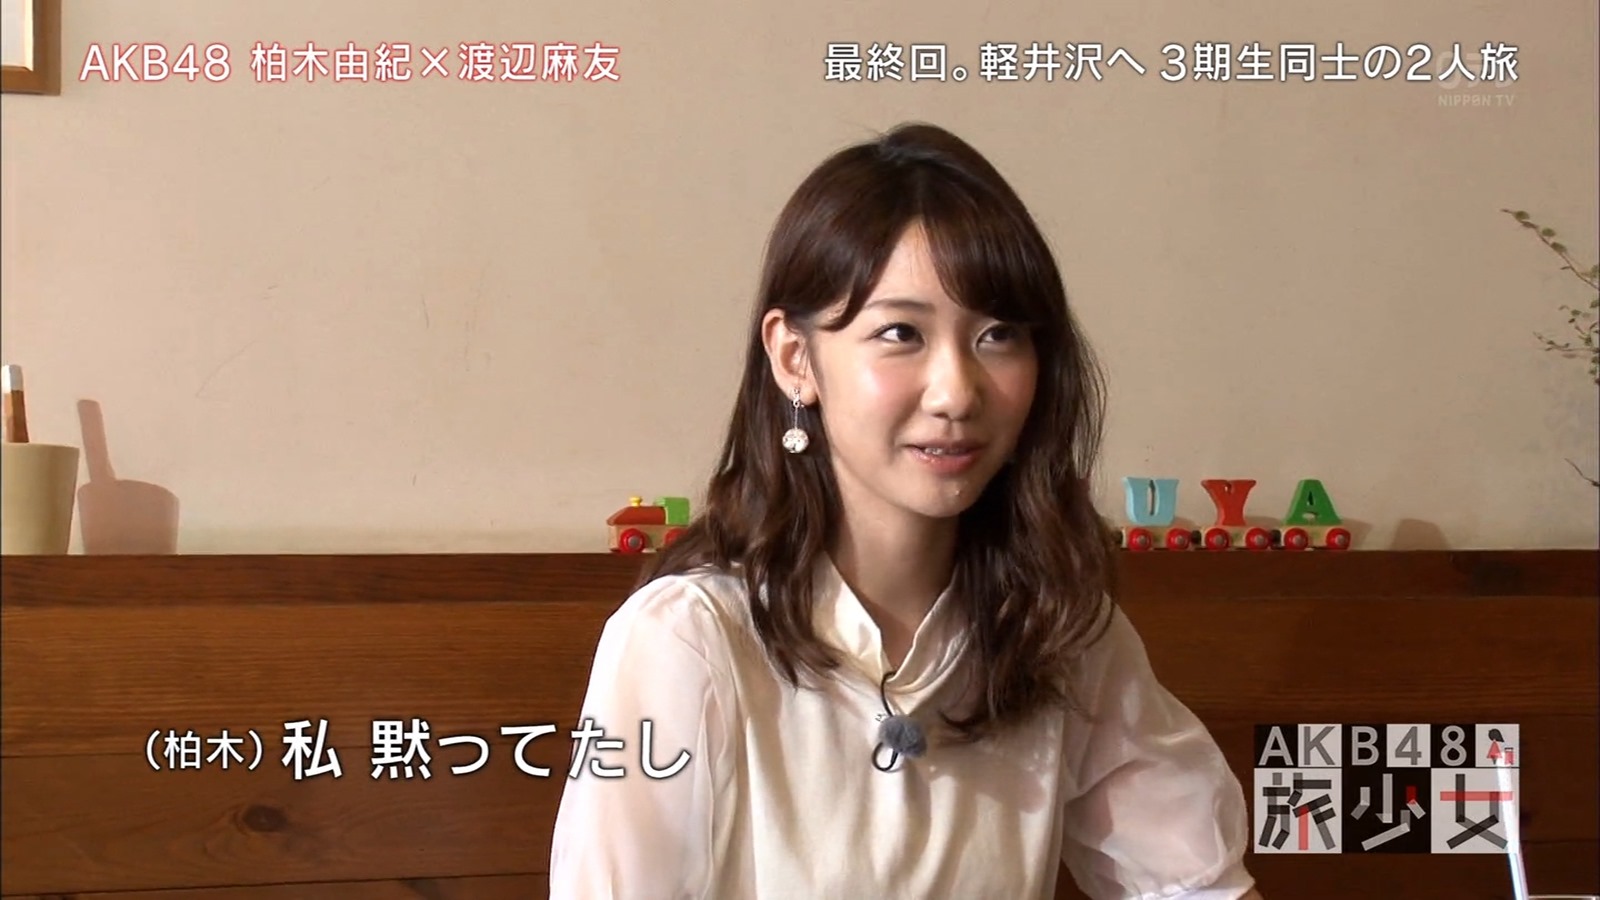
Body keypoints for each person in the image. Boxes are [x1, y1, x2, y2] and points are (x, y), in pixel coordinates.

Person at [549, 122, 1261, 900]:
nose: (957, 392)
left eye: (998, 335)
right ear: (795, 358)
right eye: (901, 333)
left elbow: (1199, 887)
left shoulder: (1053, 626)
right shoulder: (686, 640)